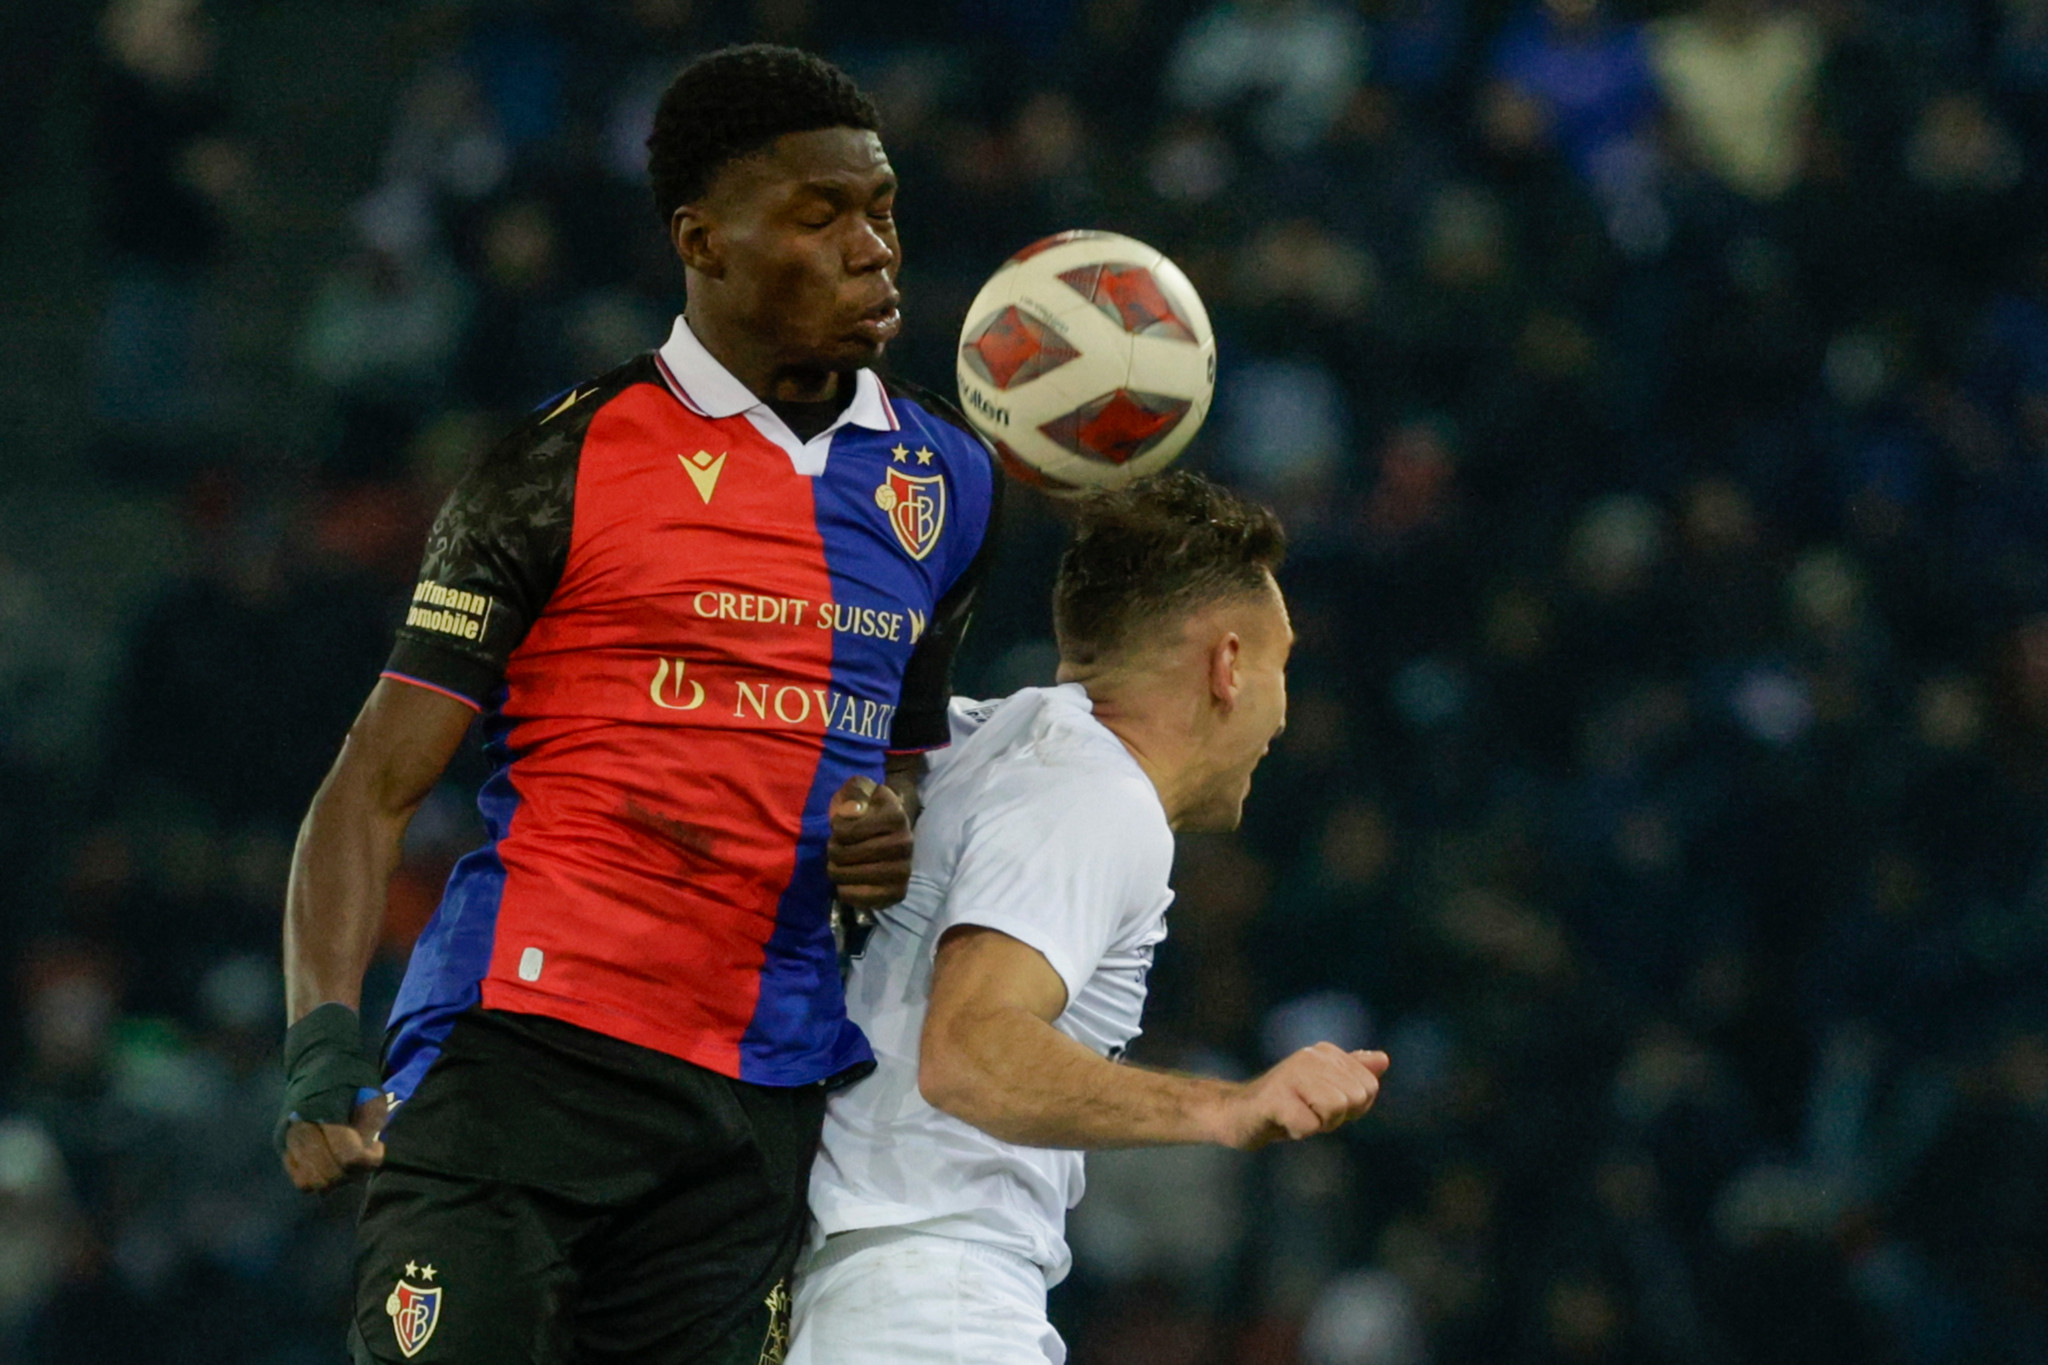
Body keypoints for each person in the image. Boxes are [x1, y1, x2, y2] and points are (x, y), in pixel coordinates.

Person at [275, 45, 1000, 1365]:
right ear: (702, 240)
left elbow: (897, 759)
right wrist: (323, 1040)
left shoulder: (946, 478)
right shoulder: (555, 465)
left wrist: (884, 824)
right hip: (525, 1051)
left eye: (882, 210)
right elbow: (373, 783)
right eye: (821, 215)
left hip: (758, 1094)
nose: (873, 249)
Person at [789, 472, 1390, 1365]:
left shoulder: (980, 739)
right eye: (1282, 663)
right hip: (931, 1301)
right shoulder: (1096, 791)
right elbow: (968, 1053)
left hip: (862, 1280)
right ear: (1228, 665)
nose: (1281, 711)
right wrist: (1227, 1107)